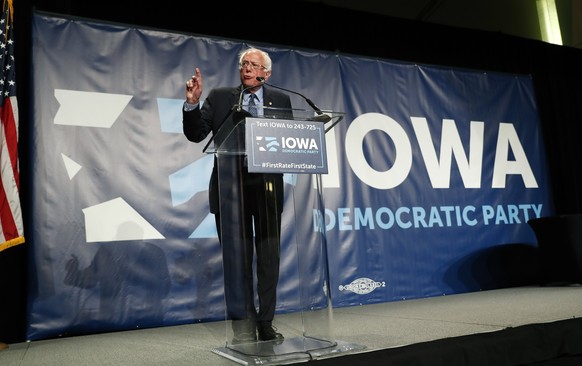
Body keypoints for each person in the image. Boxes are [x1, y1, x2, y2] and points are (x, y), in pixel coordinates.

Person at [182, 47, 292, 344]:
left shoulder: (281, 100)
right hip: (231, 190)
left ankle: (266, 323)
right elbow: (196, 134)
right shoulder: (221, 97)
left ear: (265, 74)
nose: (246, 68)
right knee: (238, 260)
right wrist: (192, 105)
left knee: (269, 259)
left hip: (267, 188)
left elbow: (287, 143)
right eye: (243, 63)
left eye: (253, 64)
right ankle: (245, 323)